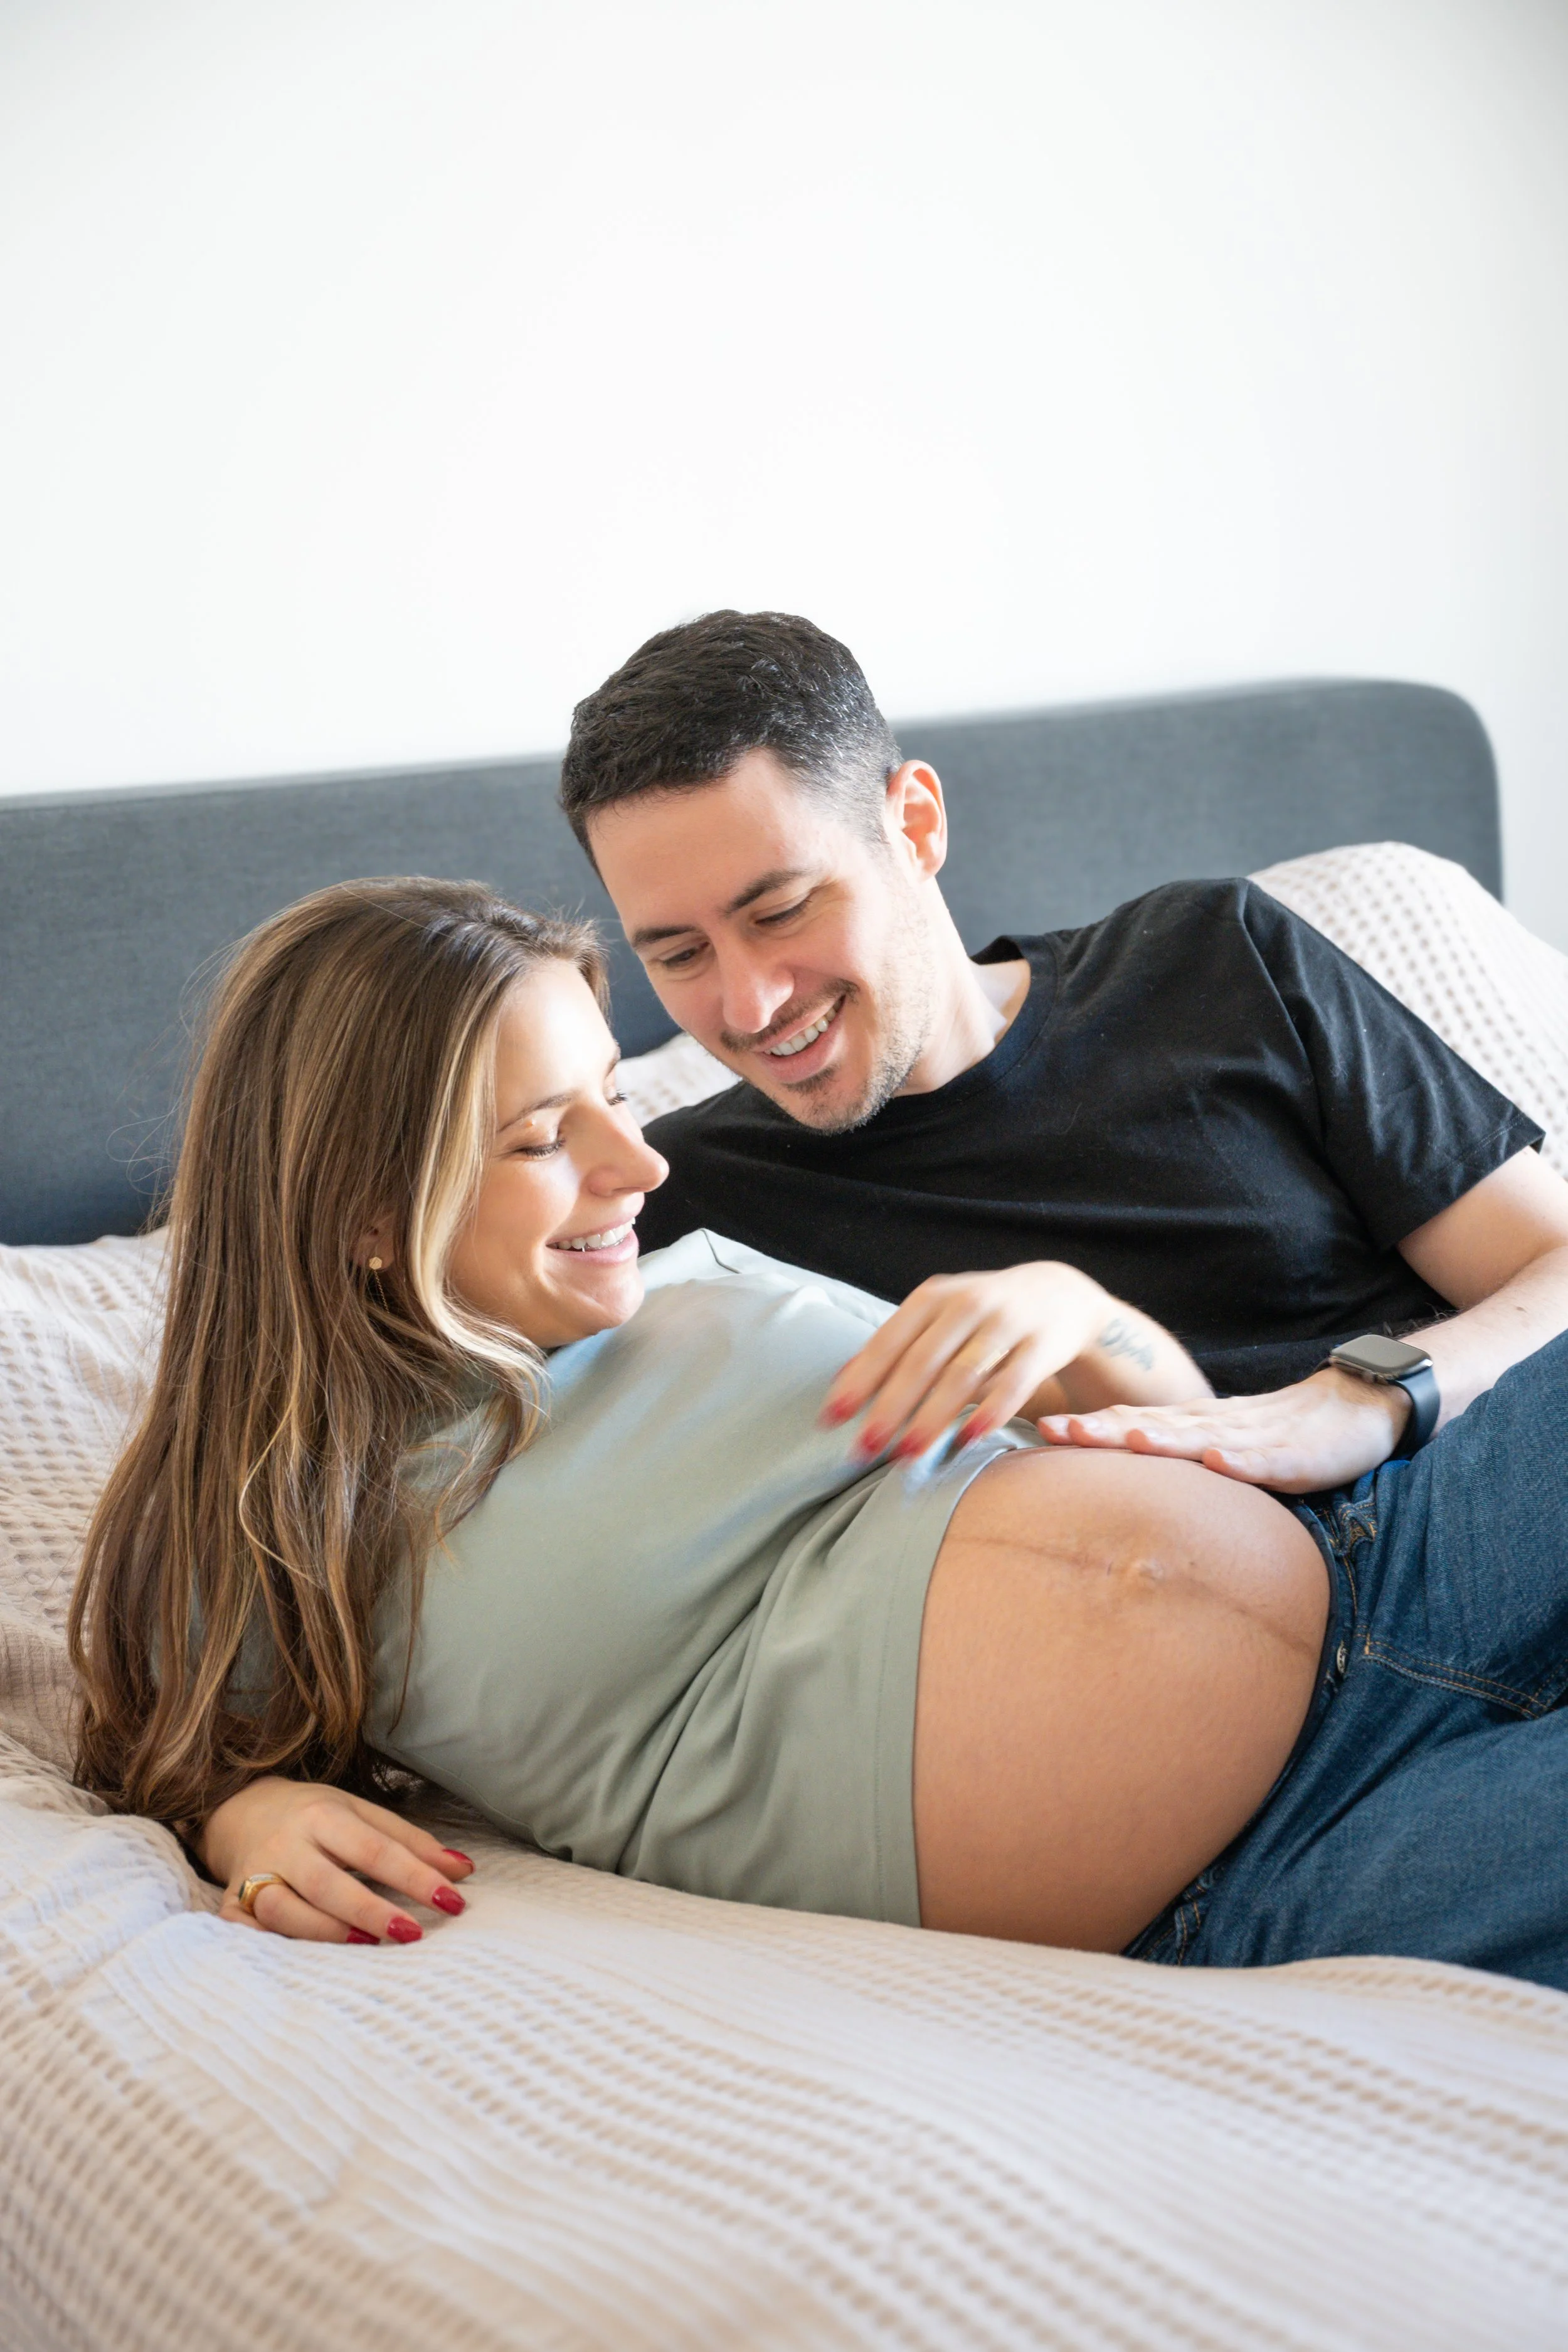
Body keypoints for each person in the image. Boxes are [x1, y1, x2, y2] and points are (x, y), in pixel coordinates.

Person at [68, 880, 1568, 1991]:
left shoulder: (693, 1280)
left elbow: (1177, 1434)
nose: (638, 1157)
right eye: (543, 1138)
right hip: (1259, 1876)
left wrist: (1075, 1314)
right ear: (359, 1213)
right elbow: (156, 1735)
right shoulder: (283, 1518)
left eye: (609, 1094)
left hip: (1388, 1568)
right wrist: (239, 1811)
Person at [559, 610, 1568, 1495]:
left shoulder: (1217, 959)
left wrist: (1367, 1398)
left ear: (913, 826)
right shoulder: (671, 1208)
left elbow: (1552, 1266)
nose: (750, 1004)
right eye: (679, 954)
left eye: (780, 910)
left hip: (1466, 1486)